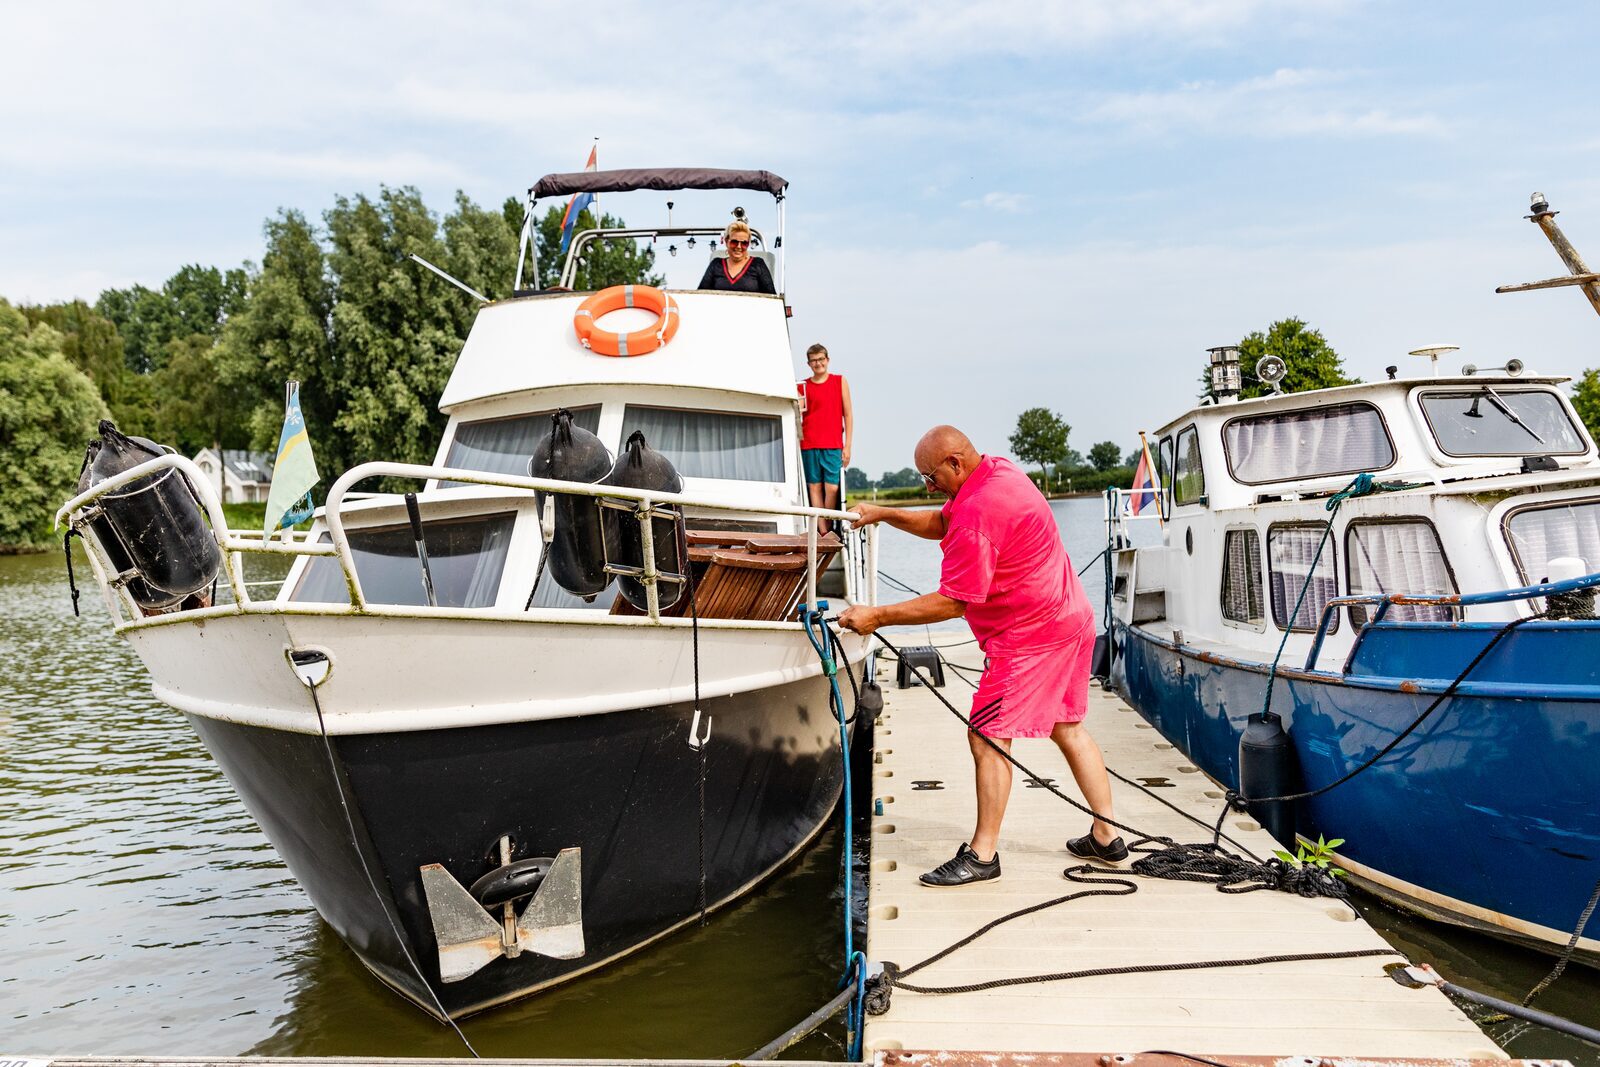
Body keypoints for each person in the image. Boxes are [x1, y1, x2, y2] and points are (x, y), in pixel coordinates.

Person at [837, 425, 1123, 887]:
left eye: (931, 478)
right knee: (1066, 726)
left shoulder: (979, 510)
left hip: (1031, 636)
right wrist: (884, 513)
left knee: (987, 735)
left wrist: (877, 616)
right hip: (1071, 616)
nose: (929, 488)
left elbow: (954, 600)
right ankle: (1107, 835)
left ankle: (982, 855)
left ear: (954, 462)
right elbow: (943, 523)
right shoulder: (997, 473)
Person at [797, 343, 853, 534]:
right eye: (814, 361)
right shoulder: (802, 386)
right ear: (809, 364)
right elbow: (798, 413)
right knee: (814, 487)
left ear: (827, 360)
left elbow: (849, 415)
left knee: (832, 488)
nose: (818, 363)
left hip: (833, 443)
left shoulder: (839, 381)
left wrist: (848, 446)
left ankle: (827, 523)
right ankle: (822, 532)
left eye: (821, 359)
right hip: (808, 443)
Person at [697, 220, 776, 294]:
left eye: (744, 243)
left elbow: (772, 299)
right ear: (726, 241)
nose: (739, 246)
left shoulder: (758, 265)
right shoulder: (716, 264)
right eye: (734, 242)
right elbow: (700, 295)